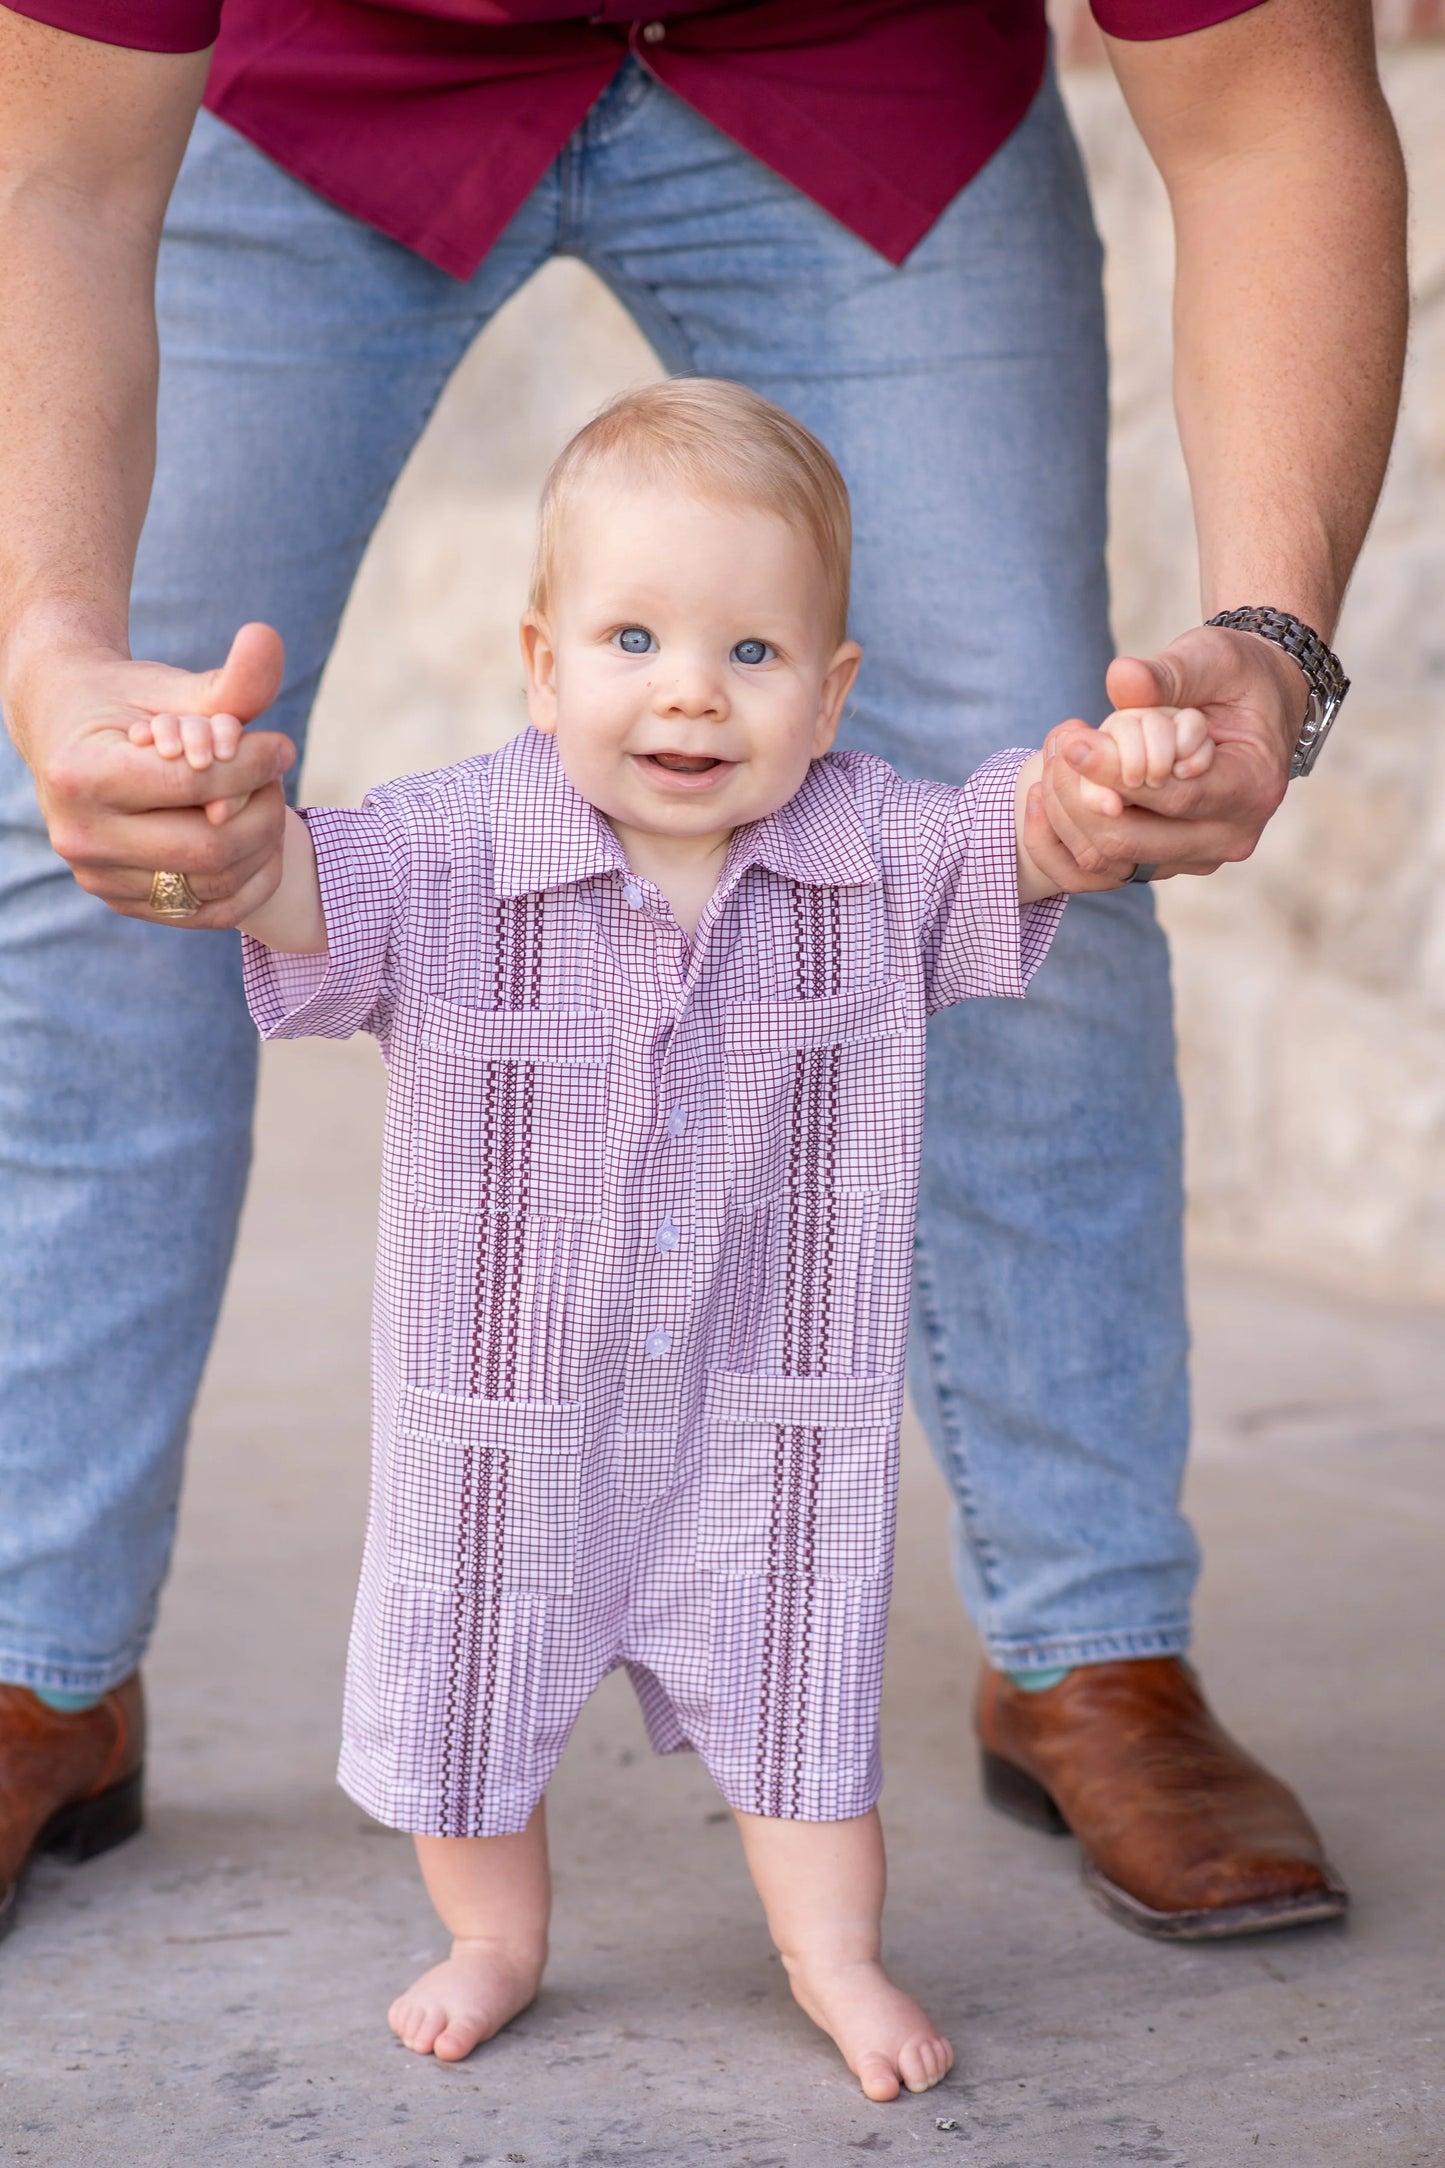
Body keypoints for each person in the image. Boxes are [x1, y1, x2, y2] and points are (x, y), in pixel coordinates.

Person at [0, 0, 1407, 1947]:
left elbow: (1267, 113)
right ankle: (33, 1656)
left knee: (1053, 785)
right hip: (326, 85)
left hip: (866, 73)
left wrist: (1274, 639)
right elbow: (54, 173)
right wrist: (55, 645)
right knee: (118, 805)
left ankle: (1095, 1644)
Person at [132, 379, 1220, 2089]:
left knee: (795, 1682)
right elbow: (298, 896)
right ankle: (491, 1937)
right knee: (472, 1684)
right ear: (541, 661)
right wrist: (229, 830)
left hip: (760, 1413)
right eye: (632, 636)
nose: (691, 692)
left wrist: (1100, 786)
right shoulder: (443, 853)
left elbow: (1015, 839)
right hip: (509, 1420)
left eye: (754, 653)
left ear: (832, 690)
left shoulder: (868, 852)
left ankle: (834, 1956)